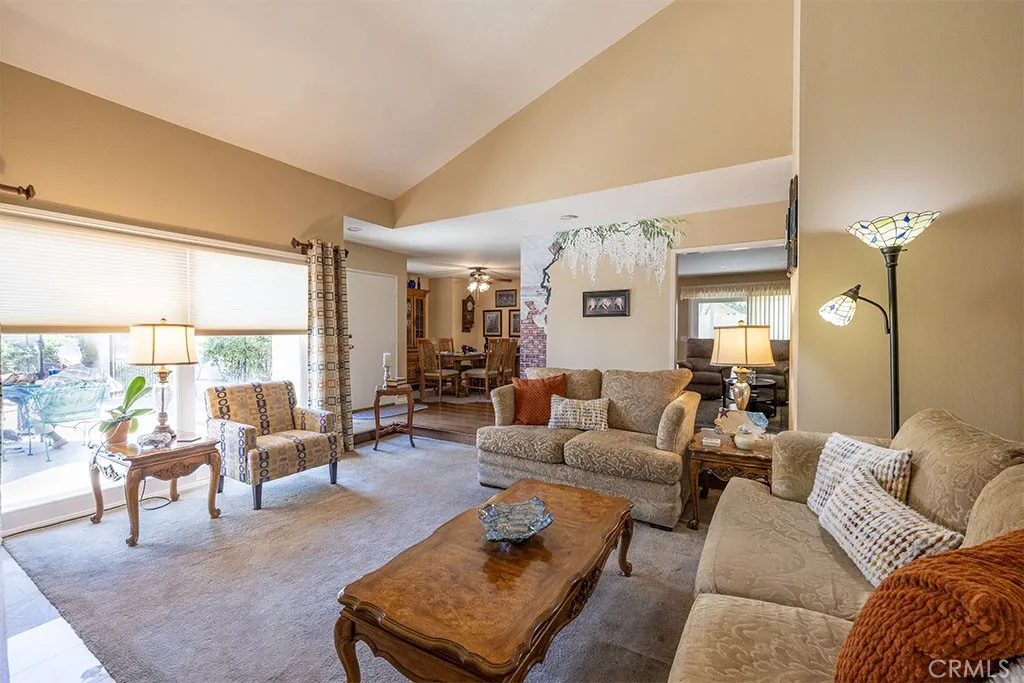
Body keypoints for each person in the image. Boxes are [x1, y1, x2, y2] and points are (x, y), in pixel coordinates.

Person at [33, 344, 110, 449]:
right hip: (90, 410)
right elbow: (113, 389)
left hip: (58, 413)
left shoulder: (55, 379)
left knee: (31, 408)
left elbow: (38, 404)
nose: (60, 362)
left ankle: (55, 437)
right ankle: (53, 433)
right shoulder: (98, 373)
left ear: (65, 360)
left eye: (60, 359)